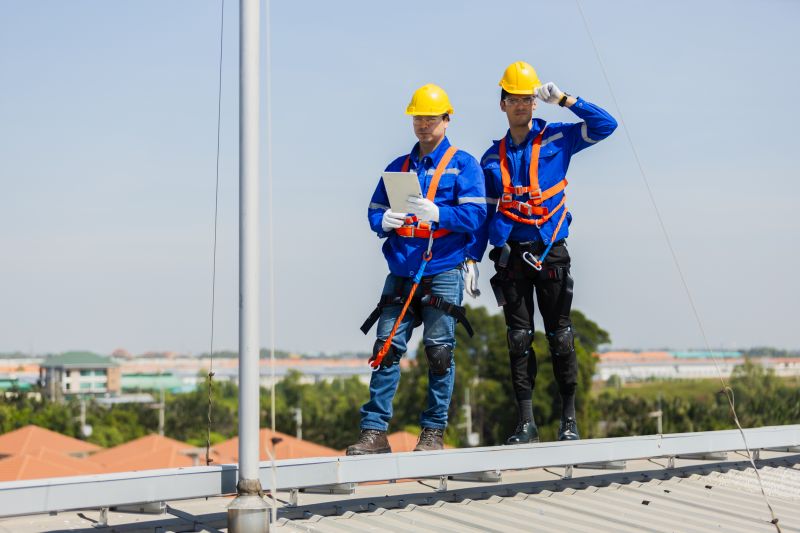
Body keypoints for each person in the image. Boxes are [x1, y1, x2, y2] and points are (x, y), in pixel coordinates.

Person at [478, 61, 617, 444]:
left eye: (527, 98)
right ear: (502, 104)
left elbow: (606, 126)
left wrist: (566, 99)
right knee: (519, 339)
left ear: (535, 103)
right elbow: (484, 213)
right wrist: (474, 257)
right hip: (511, 258)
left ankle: (568, 420)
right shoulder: (491, 159)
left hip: (551, 252)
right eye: (514, 99)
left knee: (561, 337)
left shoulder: (558, 138)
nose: (521, 105)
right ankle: (526, 423)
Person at [347, 84, 486, 455]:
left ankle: (433, 432)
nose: (424, 125)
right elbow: (374, 211)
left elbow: (476, 214)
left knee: (439, 352)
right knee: (386, 349)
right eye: (418, 118)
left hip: (442, 268)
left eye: (430, 118)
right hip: (403, 268)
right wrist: (384, 221)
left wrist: (441, 213)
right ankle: (374, 432)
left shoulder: (464, 164)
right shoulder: (398, 168)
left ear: (446, 119)